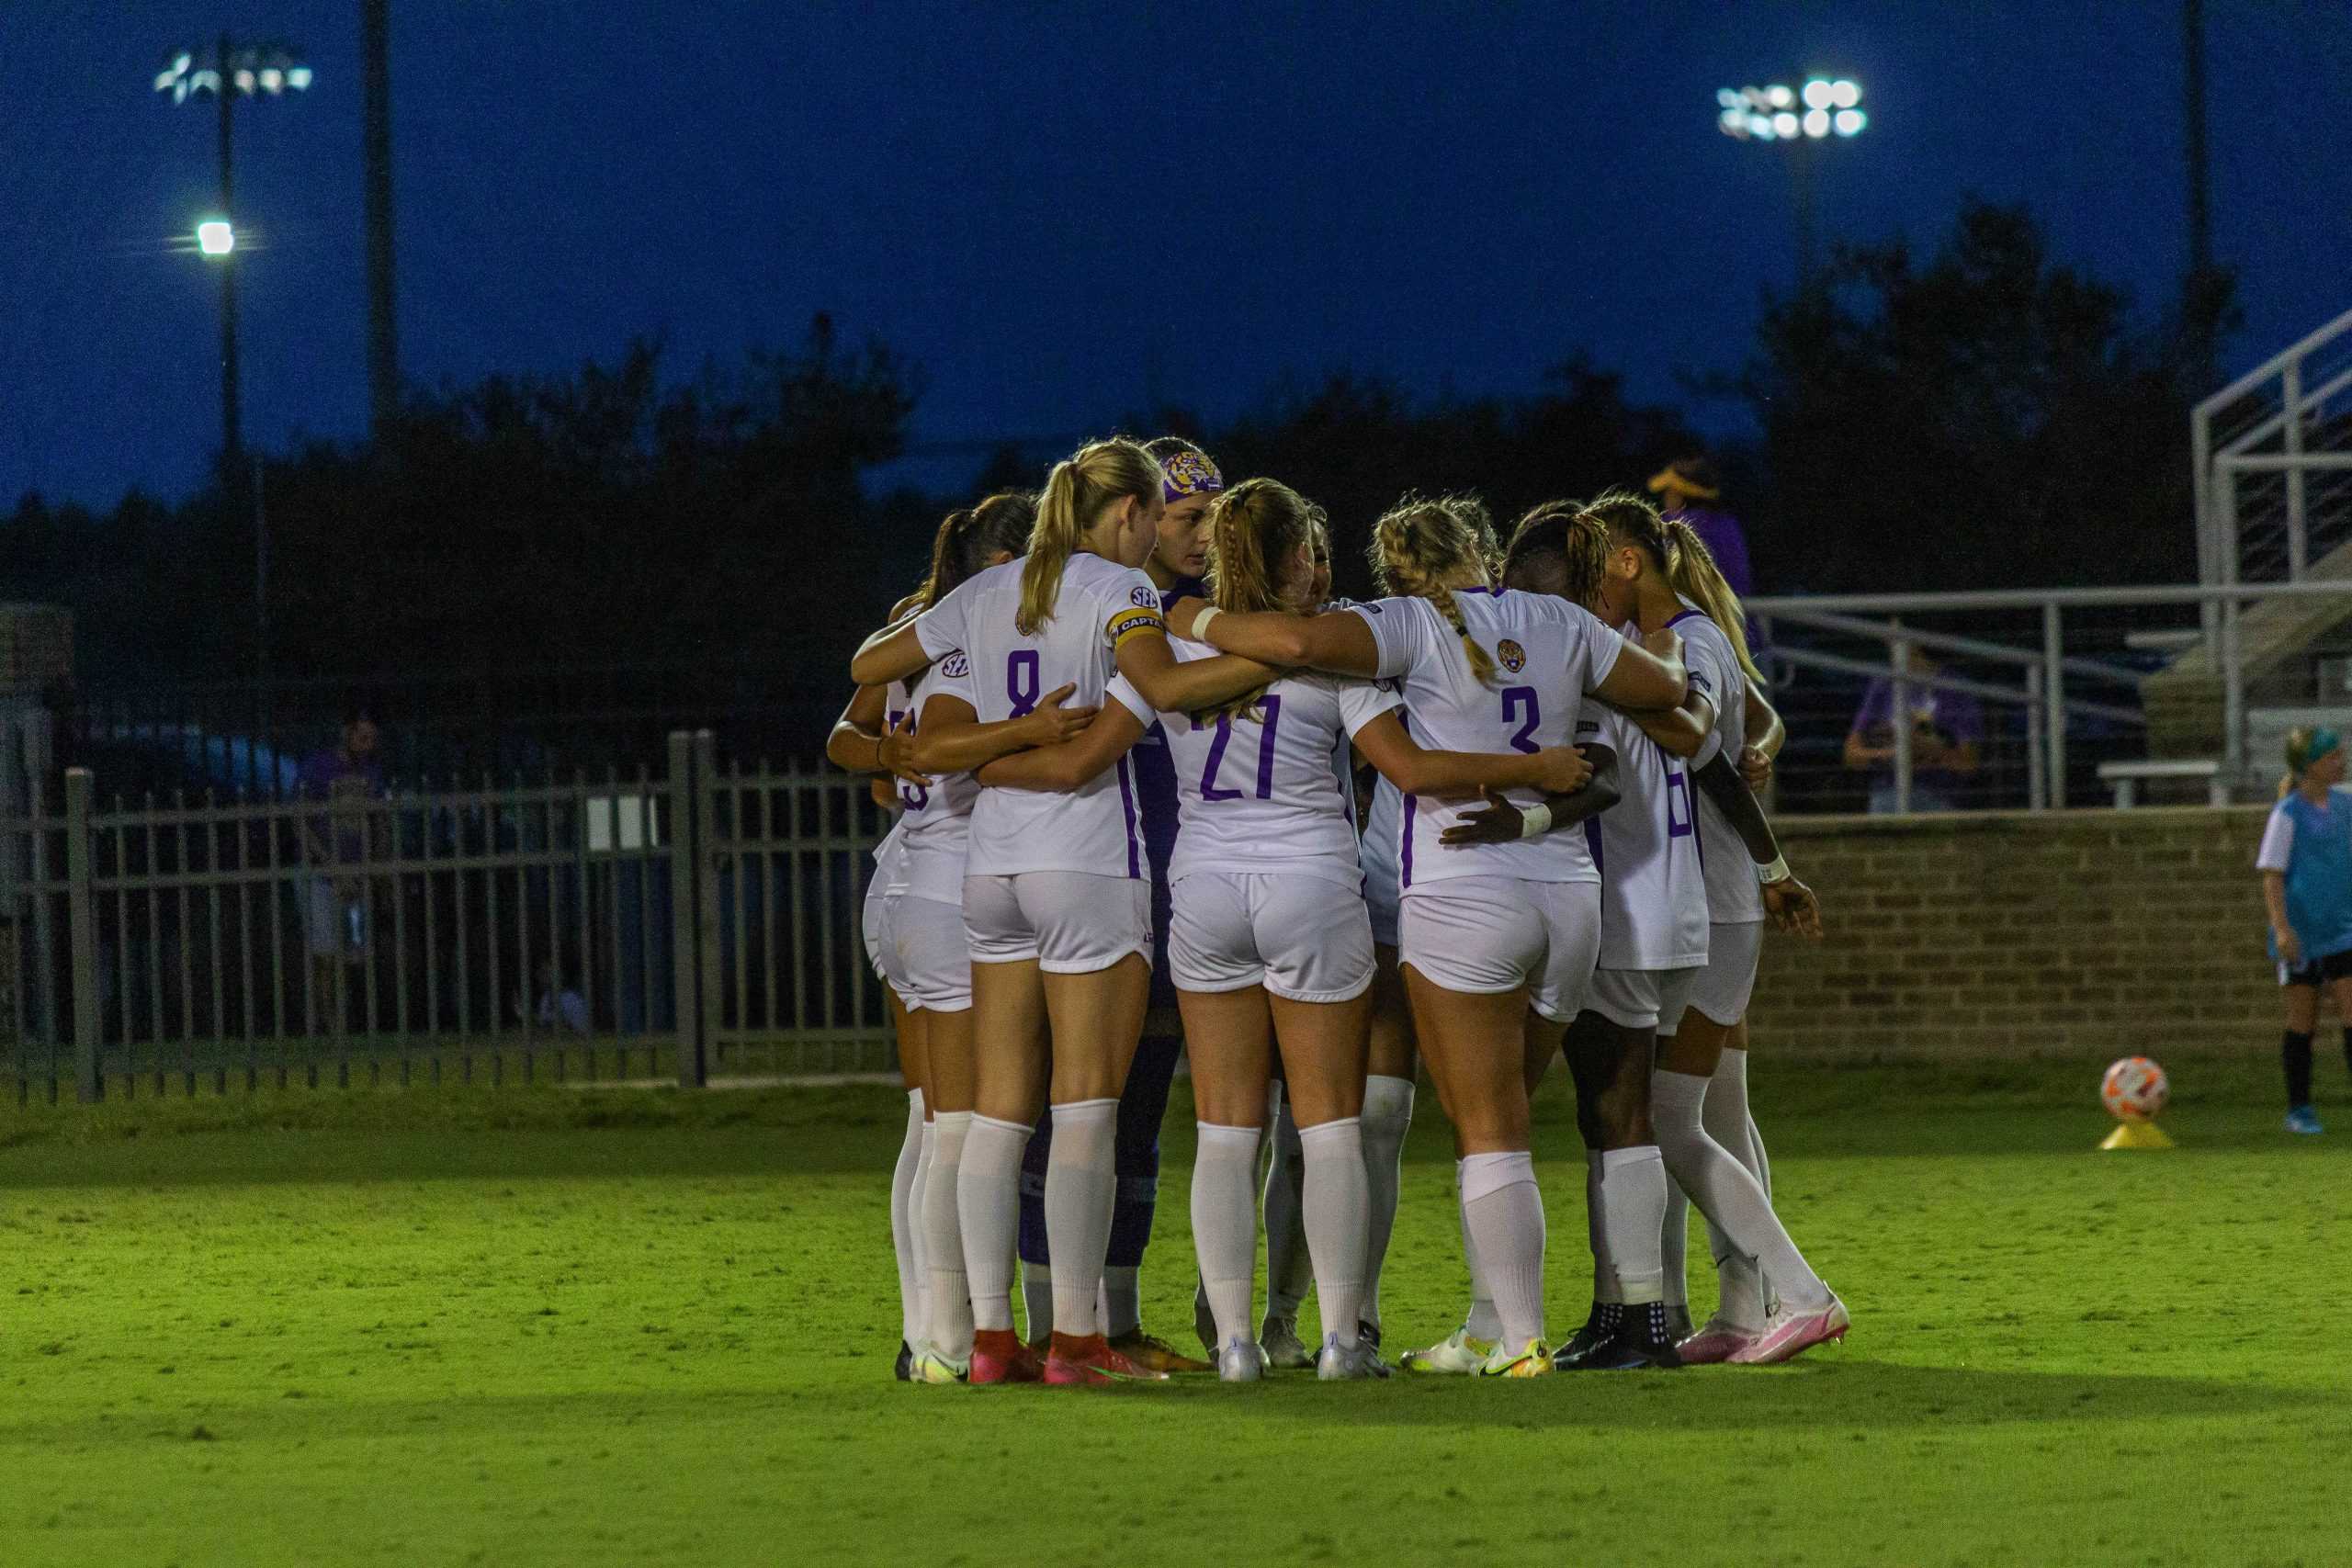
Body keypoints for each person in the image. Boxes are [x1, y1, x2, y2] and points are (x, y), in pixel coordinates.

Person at [1167, 493, 1690, 1377]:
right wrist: (1674, 641)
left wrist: (1185, 615)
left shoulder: (1387, 630)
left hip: (1437, 891)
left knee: (1413, 1125)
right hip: (1562, 893)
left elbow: (1298, 667)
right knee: (1472, 1119)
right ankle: (1446, 1326)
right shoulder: (1558, 620)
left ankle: (1314, 1335)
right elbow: (1664, 694)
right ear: (1482, 552)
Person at [1087, 479, 1589, 1380]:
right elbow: (1407, 764)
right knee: (1328, 1126)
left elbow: (1095, 742)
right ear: (1287, 560)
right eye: (1311, 553)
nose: (1323, 570)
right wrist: (1537, 768)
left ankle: (1237, 1345)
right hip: (1310, 881)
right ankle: (1340, 1339)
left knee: (1225, 1131)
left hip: (1201, 886)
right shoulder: (1337, 654)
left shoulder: (1168, 645)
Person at [851, 437, 1271, 1386]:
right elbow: (1161, 688)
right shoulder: (1119, 590)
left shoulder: (984, 595)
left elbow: (871, 661)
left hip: (990, 869)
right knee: (1084, 1106)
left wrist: (996, 746)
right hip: (1085, 862)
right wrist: (1269, 662)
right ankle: (1078, 1341)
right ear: (1126, 516)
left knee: (997, 1117)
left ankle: (991, 1340)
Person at [1544, 492, 1845, 1369]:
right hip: (1712, 895)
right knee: (1718, 1108)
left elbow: (1707, 738)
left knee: (1672, 1121)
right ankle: (1742, 1306)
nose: (1587, 591)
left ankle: (1803, 1292)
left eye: (1596, 569)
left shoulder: (1685, 642)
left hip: (1708, 904)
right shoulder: (1670, 642)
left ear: (1629, 563)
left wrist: (1768, 866)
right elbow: (1753, 732)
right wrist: (1773, 856)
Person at [1013, 435, 1224, 1375]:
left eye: (1215, 517)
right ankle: (1047, 1317)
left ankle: (1118, 1317)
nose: (1204, 536)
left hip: (1178, 888)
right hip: (1095, 882)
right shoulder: (1108, 611)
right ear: (1138, 514)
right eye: (1185, 517)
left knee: (1137, 1110)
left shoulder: (1211, 616)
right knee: (1060, 1109)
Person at [2258, 727, 2352, 1136]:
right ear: (2310, 765)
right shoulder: (2287, 814)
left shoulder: (2348, 807)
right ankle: (2299, 1109)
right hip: (2302, 933)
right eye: (2333, 756)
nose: (2341, 762)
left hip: (2344, 929)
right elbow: (2272, 874)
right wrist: (2281, 928)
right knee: (2302, 1020)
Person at [299, 703, 389, 1032]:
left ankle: (354, 1019)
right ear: (347, 735)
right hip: (324, 874)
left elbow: (378, 821)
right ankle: (331, 1021)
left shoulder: (371, 771)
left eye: (371, 739)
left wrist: (373, 866)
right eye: (362, 737)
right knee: (325, 953)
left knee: (356, 953)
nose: (368, 744)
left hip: (358, 873)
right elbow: (303, 821)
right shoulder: (318, 768)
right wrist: (328, 863)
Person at [1843, 648, 1984, 813]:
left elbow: (1969, 763)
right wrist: (1892, 754)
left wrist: (1928, 749)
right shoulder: (1884, 683)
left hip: (1938, 796)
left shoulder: (1955, 687)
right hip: (1887, 792)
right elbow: (1851, 754)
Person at [1647, 456, 1752, 601]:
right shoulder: (1728, 524)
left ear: (1681, 494)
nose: (1666, 497)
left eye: (1670, 491)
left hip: (1695, 617)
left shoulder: (1674, 526)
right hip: (1737, 617)